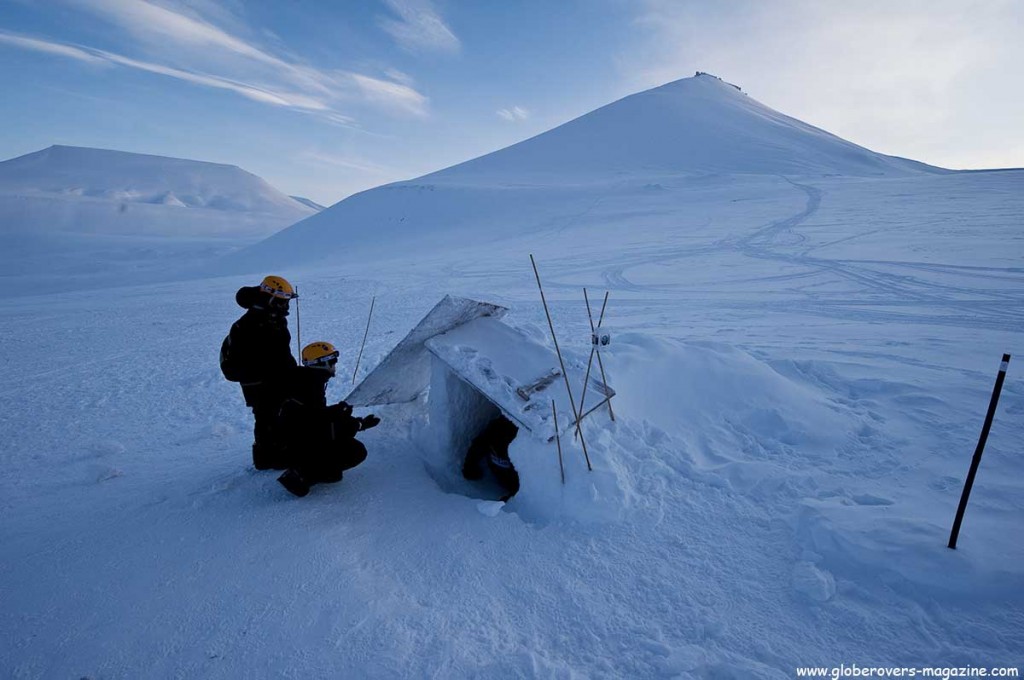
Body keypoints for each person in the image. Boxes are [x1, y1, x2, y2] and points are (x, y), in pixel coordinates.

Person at [276, 341, 380, 498]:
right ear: (320, 364)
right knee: (355, 451)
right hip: (296, 442)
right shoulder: (310, 387)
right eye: (331, 361)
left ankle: (306, 466)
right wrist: (356, 424)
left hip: (292, 438)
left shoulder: (307, 380)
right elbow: (320, 425)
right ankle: (300, 476)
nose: (335, 365)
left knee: (333, 438)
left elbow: (315, 415)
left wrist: (340, 412)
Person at [220, 275, 297, 470]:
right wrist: (268, 374)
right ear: (269, 298)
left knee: (281, 414)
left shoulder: (275, 319)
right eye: (281, 301)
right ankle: (266, 458)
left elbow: (282, 352)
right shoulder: (246, 326)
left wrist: (292, 372)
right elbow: (242, 362)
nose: (285, 306)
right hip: (258, 384)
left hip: (278, 378)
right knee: (266, 417)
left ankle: (281, 450)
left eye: (286, 301)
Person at [462, 415, 520, 501]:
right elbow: (478, 446)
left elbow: (528, 476)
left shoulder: (519, 442)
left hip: (513, 480)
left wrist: (513, 497)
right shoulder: (493, 431)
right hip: (500, 474)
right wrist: (470, 466)